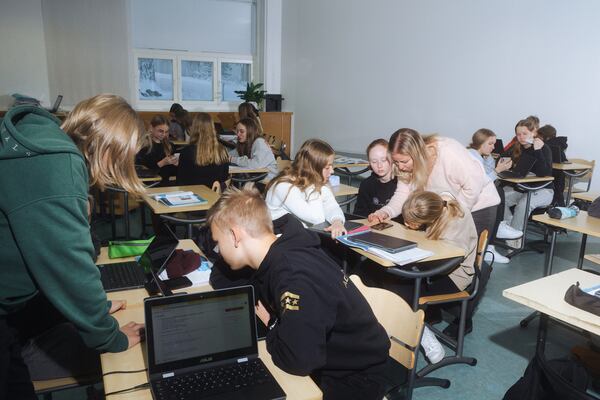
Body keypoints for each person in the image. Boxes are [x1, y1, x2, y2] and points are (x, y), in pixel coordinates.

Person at [0, 94, 145, 399]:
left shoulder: (44, 140)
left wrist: (97, 308)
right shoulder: (58, 164)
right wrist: (111, 337)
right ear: (109, 148)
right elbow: (70, 268)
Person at [207, 186, 394, 400]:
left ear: (234, 235)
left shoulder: (293, 277)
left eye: (217, 242)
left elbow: (299, 361)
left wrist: (272, 323)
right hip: (332, 357)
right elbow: (223, 277)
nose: (218, 250)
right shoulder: (281, 249)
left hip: (356, 376)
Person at [369, 128, 500, 239]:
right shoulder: (403, 165)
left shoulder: (448, 152)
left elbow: (472, 187)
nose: (400, 167)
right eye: (396, 162)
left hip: (478, 206)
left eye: (404, 162)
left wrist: (450, 219)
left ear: (417, 154)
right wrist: (386, 212)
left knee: (463, 257)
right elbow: (403, 194)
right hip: (446, 209)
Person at [265, 139, 346, 239]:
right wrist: (315, 187)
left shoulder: (311, 181)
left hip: (297, 234)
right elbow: (317, 218)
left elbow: (331, 206)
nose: (332, 171)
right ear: (313, 169)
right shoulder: (284, 186)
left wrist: (337, 222)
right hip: (278, 240)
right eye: (327, 167)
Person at [467, 128, 523, 264]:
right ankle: (495, 233)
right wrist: (498, 170)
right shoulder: (471, 156)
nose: (494, 147)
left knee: (498, 191)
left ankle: (492, 240)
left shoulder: (488, 157)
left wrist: (498, 169)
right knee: (498, 191)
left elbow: (489, 179)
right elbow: (481, 181)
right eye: (490, 144)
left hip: (481, 192)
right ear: (480, 143)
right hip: (470, 192)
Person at [502, 118, 554, 248]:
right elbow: (505, 159)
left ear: (533, 133)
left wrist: (537, 150)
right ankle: (510, 229)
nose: (521, 137)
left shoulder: (544, 148)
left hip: (544, 190)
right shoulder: (518, 147)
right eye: (518, 134)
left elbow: (544, 173)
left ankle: (513, 242)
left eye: (524, 134)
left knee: (523, 204)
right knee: (499, 197)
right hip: (523, 188)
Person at [176, 112, 229, 188]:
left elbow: (181, 181)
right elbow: (224, 177)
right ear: (212, 127)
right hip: (215, 196)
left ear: (193, 128)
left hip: (193, 196)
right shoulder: (222, 150)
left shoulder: (187, 152)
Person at [354, 139, 397, 217]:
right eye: (374, 162)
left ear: (392, 159)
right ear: (370, 163)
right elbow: (359, 215)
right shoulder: (366, 185)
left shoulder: (402, 183)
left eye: (383, 160)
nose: (379, 165)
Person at [136, 115, 178, 185]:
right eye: (160, 131)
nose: (164, 134)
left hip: (166, 183)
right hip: (148, 185)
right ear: (151, 128)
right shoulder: (144, 145)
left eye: (167, 132)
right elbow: (142, 170)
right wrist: (162, 163)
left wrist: (176, 164)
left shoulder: (170, 145)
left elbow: (172, 172)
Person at [537, 124, 568, 206]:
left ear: (545, 136)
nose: (537, 138)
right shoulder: (558, 144)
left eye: (539, 136)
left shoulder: (548, 145)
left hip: (553, 178)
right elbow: (563, 159)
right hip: (558, 178)